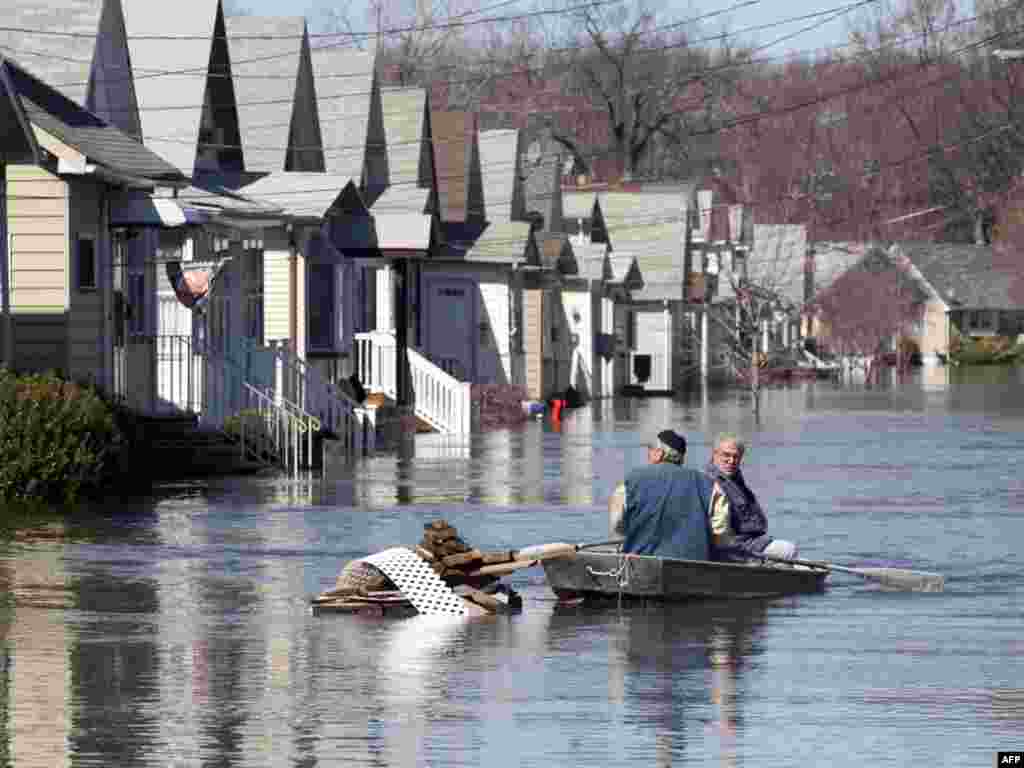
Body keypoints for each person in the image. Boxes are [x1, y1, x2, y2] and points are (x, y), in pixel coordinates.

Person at [609, 429, 714, 561]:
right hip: (693, 564)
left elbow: (617, 524)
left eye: (650, 448)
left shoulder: (632, 480)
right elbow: (720, 530)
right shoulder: (707, 482)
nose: (648, 453)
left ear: (660, 453)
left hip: (643, 561)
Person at [704, 433, 799, 562]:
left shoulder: (735, 480)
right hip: (737, 548)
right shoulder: (710, 482)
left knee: (798, 561)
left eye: (736, 457)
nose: (731, 461)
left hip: (752, 542)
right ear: (715, 454)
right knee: (788, 549)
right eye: (726, 455)